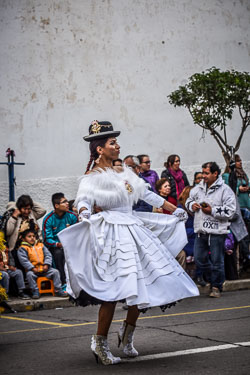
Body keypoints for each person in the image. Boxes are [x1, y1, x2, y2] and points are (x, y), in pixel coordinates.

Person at [58, 120, 199, 365]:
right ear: (100, 149)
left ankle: (126, 333)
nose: (118, 146)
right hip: (111, 233)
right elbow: (82, 200)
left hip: (133, 229)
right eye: (113, 143)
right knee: (113, 292)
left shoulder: (126, 173)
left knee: (142, 286)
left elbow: (147, 194)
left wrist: (174, 208)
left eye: (116, 141)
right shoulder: (92, 177)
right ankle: (99, 342)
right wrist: (84, 216)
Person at [186, 162, 236, 298]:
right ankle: (215, 276)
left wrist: (212, 210)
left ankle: (216, 286)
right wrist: (192, 206)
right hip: (201, 230)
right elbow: (188, 201)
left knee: (217, 260)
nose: (203, 176)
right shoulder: (197, 189)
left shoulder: (225, 190)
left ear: (215, 174)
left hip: (217, 232)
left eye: (206, 173)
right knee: (199, 258)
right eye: (203, 172)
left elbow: (231, 211)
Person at [18, 229, 68, 299]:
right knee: (29, 275)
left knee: (55, 272)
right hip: (33, 270)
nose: (32, 238)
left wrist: (46, 264)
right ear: (23, 239)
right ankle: (35, 291)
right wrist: (32, 268)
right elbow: (24, 260)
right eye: (29, 236)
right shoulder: (22, 248)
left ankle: (58, 290)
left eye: (33, 236)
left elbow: (48, 255)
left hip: (44, 269)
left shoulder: (40, 245)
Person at [42, 193, 78, 287]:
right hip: (56, 247)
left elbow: (77, 234)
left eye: (67, 201)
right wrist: (58, 244)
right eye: (64, 202)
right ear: (56, 206)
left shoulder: (72, 216)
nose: (67, 204)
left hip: (71, 245)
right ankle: (63, 282)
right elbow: (47, 239)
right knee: (58, 254)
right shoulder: (48, 219)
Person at [0, 231, 29, 300]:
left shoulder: (5, 247)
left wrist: (11, 265)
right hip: (1, 270)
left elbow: (10, 258)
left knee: (18, 272)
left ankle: (21, 291)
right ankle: (5, 294)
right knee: (4, 275)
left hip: (7, 267)